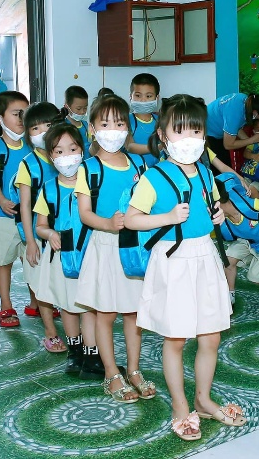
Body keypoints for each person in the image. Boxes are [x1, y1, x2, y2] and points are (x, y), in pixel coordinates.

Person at [125, 94, 244, 440]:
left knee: (211, 336)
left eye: (196, 131)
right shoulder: (154, 177)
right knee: (175, 338)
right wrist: (166, 217)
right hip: (173, 260)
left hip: (205, 257)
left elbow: (211, 209)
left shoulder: (206, 173)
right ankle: (180, 406)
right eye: (180, 131)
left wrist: (219, 216)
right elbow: (132, 220)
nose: (189, 139)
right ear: (163, 135)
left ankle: (203, 400)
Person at [75, 94, 150, 403]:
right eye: (105, 124)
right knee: (106, 313)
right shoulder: (89, 168)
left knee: (133, 313)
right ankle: (111, 373)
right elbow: (85, 213)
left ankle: (133, 369)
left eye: (119, 123)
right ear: (92, 128)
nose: (113, 130)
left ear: (128, 127)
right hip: (105, 246)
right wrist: (108, 223)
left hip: (133, 247)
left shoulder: (139, 164)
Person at [32, 123, 99, 371]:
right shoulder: (49, 189)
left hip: (91, 252)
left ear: (82, 149)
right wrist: (50, 233)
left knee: (90, 305)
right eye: (59, 151)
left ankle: (92, 353)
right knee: (69, 306)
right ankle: (75, 351)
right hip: (63, 255)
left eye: (72, 149)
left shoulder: (92, 183)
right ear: (51, 156)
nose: (67, 156)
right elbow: (40, 225)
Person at [0, 91, 32, 328]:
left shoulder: (33, 146)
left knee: (32, 260)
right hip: (4, 217)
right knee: (4, 262)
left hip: (30, 218)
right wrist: (2, 201)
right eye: (16, 113)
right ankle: (6, 305)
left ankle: (37, 302)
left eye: (25, 113)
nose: (22, 118)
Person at [15, 102, 63, 322]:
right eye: (35, 128)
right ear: (27, 133)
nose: (43, 132)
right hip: (39, 234)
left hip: (64, 231)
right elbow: (24, 205)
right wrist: (31, 241)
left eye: (48, 125)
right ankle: (50, 330)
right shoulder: (28, 165)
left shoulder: (69, 157)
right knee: (41, 283)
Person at [218, 174, 259, 309]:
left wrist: (247, 184)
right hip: (248, 240)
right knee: (227, 260)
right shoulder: (221, 221)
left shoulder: (250, 206)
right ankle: (230, 295)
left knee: (256, 277)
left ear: (219, 203)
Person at [205, 92, 259, 167]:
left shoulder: (244, 101)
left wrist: (252, 143)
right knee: (221, 168)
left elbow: (235, 128)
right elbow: (228, 145)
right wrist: (252, 140)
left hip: (215, 132)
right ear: (255, 112)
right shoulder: (235, 112)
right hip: (207, 134)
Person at [126, 73, 160, 167]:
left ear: (157, 98)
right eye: (138, 95)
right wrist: (157, 147)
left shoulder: (160, 121)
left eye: (148, 96)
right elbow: (129, 146)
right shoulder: (125, 121)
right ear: (131, 96)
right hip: (135, 171)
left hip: (157, 171)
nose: (143, 100)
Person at [63, 85, 92, 158]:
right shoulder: (63, 126)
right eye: (78, 108)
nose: (82, 112)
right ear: (67, 107)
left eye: (85, 108)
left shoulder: (85, 125)